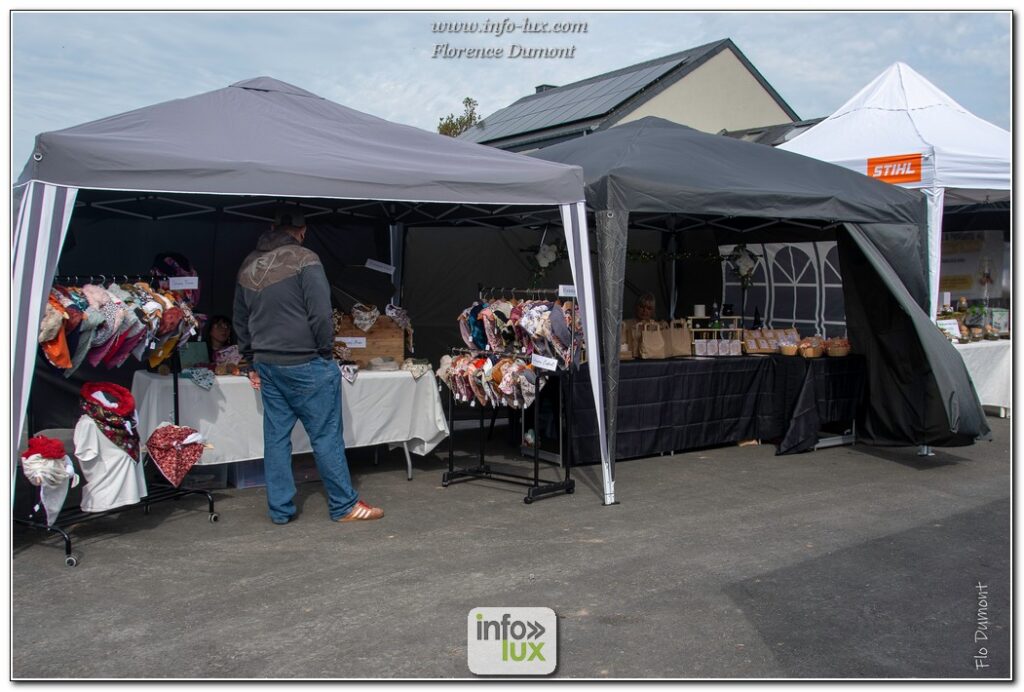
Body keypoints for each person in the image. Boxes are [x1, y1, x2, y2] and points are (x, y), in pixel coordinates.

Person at [233, 208, 383, 525]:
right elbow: (321, 313)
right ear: (302, 231)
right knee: (325, 435)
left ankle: (280, 510)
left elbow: (240, 319)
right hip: (305, 360)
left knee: (276, 438)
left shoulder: (248, 264)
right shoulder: (305, 258)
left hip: (267, 362)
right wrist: (325, 352)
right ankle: (343, 505)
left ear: (272, 227)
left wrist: (250, 360)